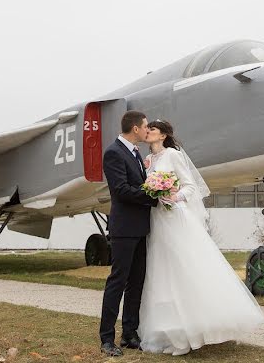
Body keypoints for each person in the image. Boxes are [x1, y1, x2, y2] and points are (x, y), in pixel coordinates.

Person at [138, 119, 264, 356]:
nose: (148, 132)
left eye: (152, 130)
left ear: (163, 135)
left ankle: (191, 334)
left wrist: (175, 198)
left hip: (174, 218)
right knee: (162, 274)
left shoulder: (173, 155)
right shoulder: (148, 160)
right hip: (156, 220)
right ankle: (169, 333)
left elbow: (190, 187)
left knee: (183, 270)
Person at [99, 111, 158, 357]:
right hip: (123, 229)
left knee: (136, 283)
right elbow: (121, 190)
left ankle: (129, 334)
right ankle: (106, 339)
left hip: (140, 228)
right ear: (135, 128)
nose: (147, 130)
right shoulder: (114, 153)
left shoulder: (136, 154)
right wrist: (153, 195)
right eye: (145, 127)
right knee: (118, 282)